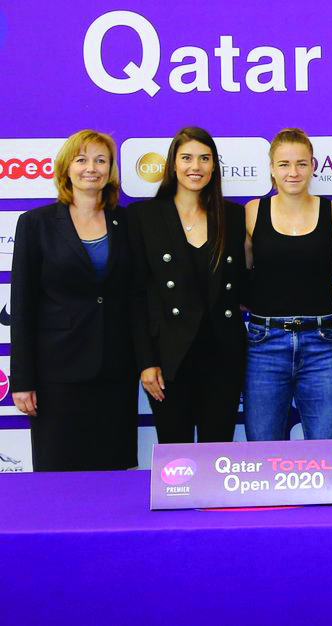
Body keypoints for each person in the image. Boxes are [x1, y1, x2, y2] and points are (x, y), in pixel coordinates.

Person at [9, 130, 137, 470]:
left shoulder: (128, 223)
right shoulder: (35, 224)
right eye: (81, 160)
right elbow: (21, 307)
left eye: (100, 160)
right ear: (66, 168)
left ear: (111, 170)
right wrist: (22, 380)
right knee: (59, 475)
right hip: (57, 373)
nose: (91, 168)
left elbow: (136, 296)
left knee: (113, 473)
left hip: (115, 370)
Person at [129, 127, 248, 444]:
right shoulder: (144, 216)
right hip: (169, 359)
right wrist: (146, 363)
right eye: (187, 158)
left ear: (214, 166)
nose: (196, 166)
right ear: (173, 164)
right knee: (175, 459)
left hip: (223, 356)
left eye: (205, 159)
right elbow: (137, 295)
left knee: (218, 454)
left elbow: (243, 285)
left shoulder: (233, 216)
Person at [243, 128, 332, 441]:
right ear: (271, 168)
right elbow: (239, 277)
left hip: (321, 343)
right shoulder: (252, 213)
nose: (293, 172)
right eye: (284, 164)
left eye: (301, 164)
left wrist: (315, 298)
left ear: (313, 166)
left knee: (326, 455)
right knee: (261, 455)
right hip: (264, 343)